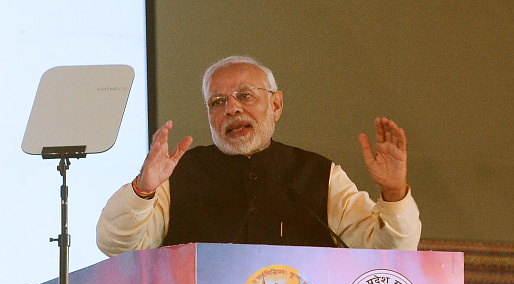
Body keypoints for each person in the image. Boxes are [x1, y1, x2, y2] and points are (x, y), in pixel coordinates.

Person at [96, 56, 421, 257]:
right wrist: (142, 190)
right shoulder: (179, 174)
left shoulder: (319, 174)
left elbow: (388, 255)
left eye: (245, 96)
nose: (232, 108)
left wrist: (394, 194)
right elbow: (117, 247)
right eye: (217, 101)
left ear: (276, 105)